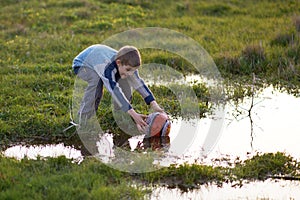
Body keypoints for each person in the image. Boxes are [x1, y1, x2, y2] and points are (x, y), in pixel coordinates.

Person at [72, 44, 164, 132]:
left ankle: (121, 115)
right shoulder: (107, 68)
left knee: (125, 79)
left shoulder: (128, 66)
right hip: (83, 64)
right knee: (96, 82)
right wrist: (134, 115)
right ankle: (83, 121)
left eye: (134, 70)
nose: (130, 73)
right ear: (118, 63)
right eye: (128, 69)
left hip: (104, 59)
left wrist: (154, 104)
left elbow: (139, 84)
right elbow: (114, 90)